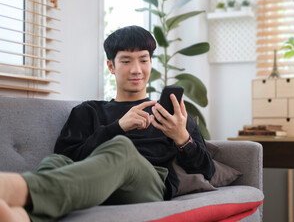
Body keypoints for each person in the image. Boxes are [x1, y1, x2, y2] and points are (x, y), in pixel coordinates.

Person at [0, 25, 215, 222]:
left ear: (150, 62)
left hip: (146, 185)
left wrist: (181, 138)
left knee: (121, 148)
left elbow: (207, 171)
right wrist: (117, 127)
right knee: (54, 162)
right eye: (126, 61)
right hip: (92, 184)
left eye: (143, 59)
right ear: (111, 66)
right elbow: (67, 158)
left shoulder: (170, 115)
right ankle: (21, 217)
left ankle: (13, 188)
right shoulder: (88, 111)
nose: (136, 70)